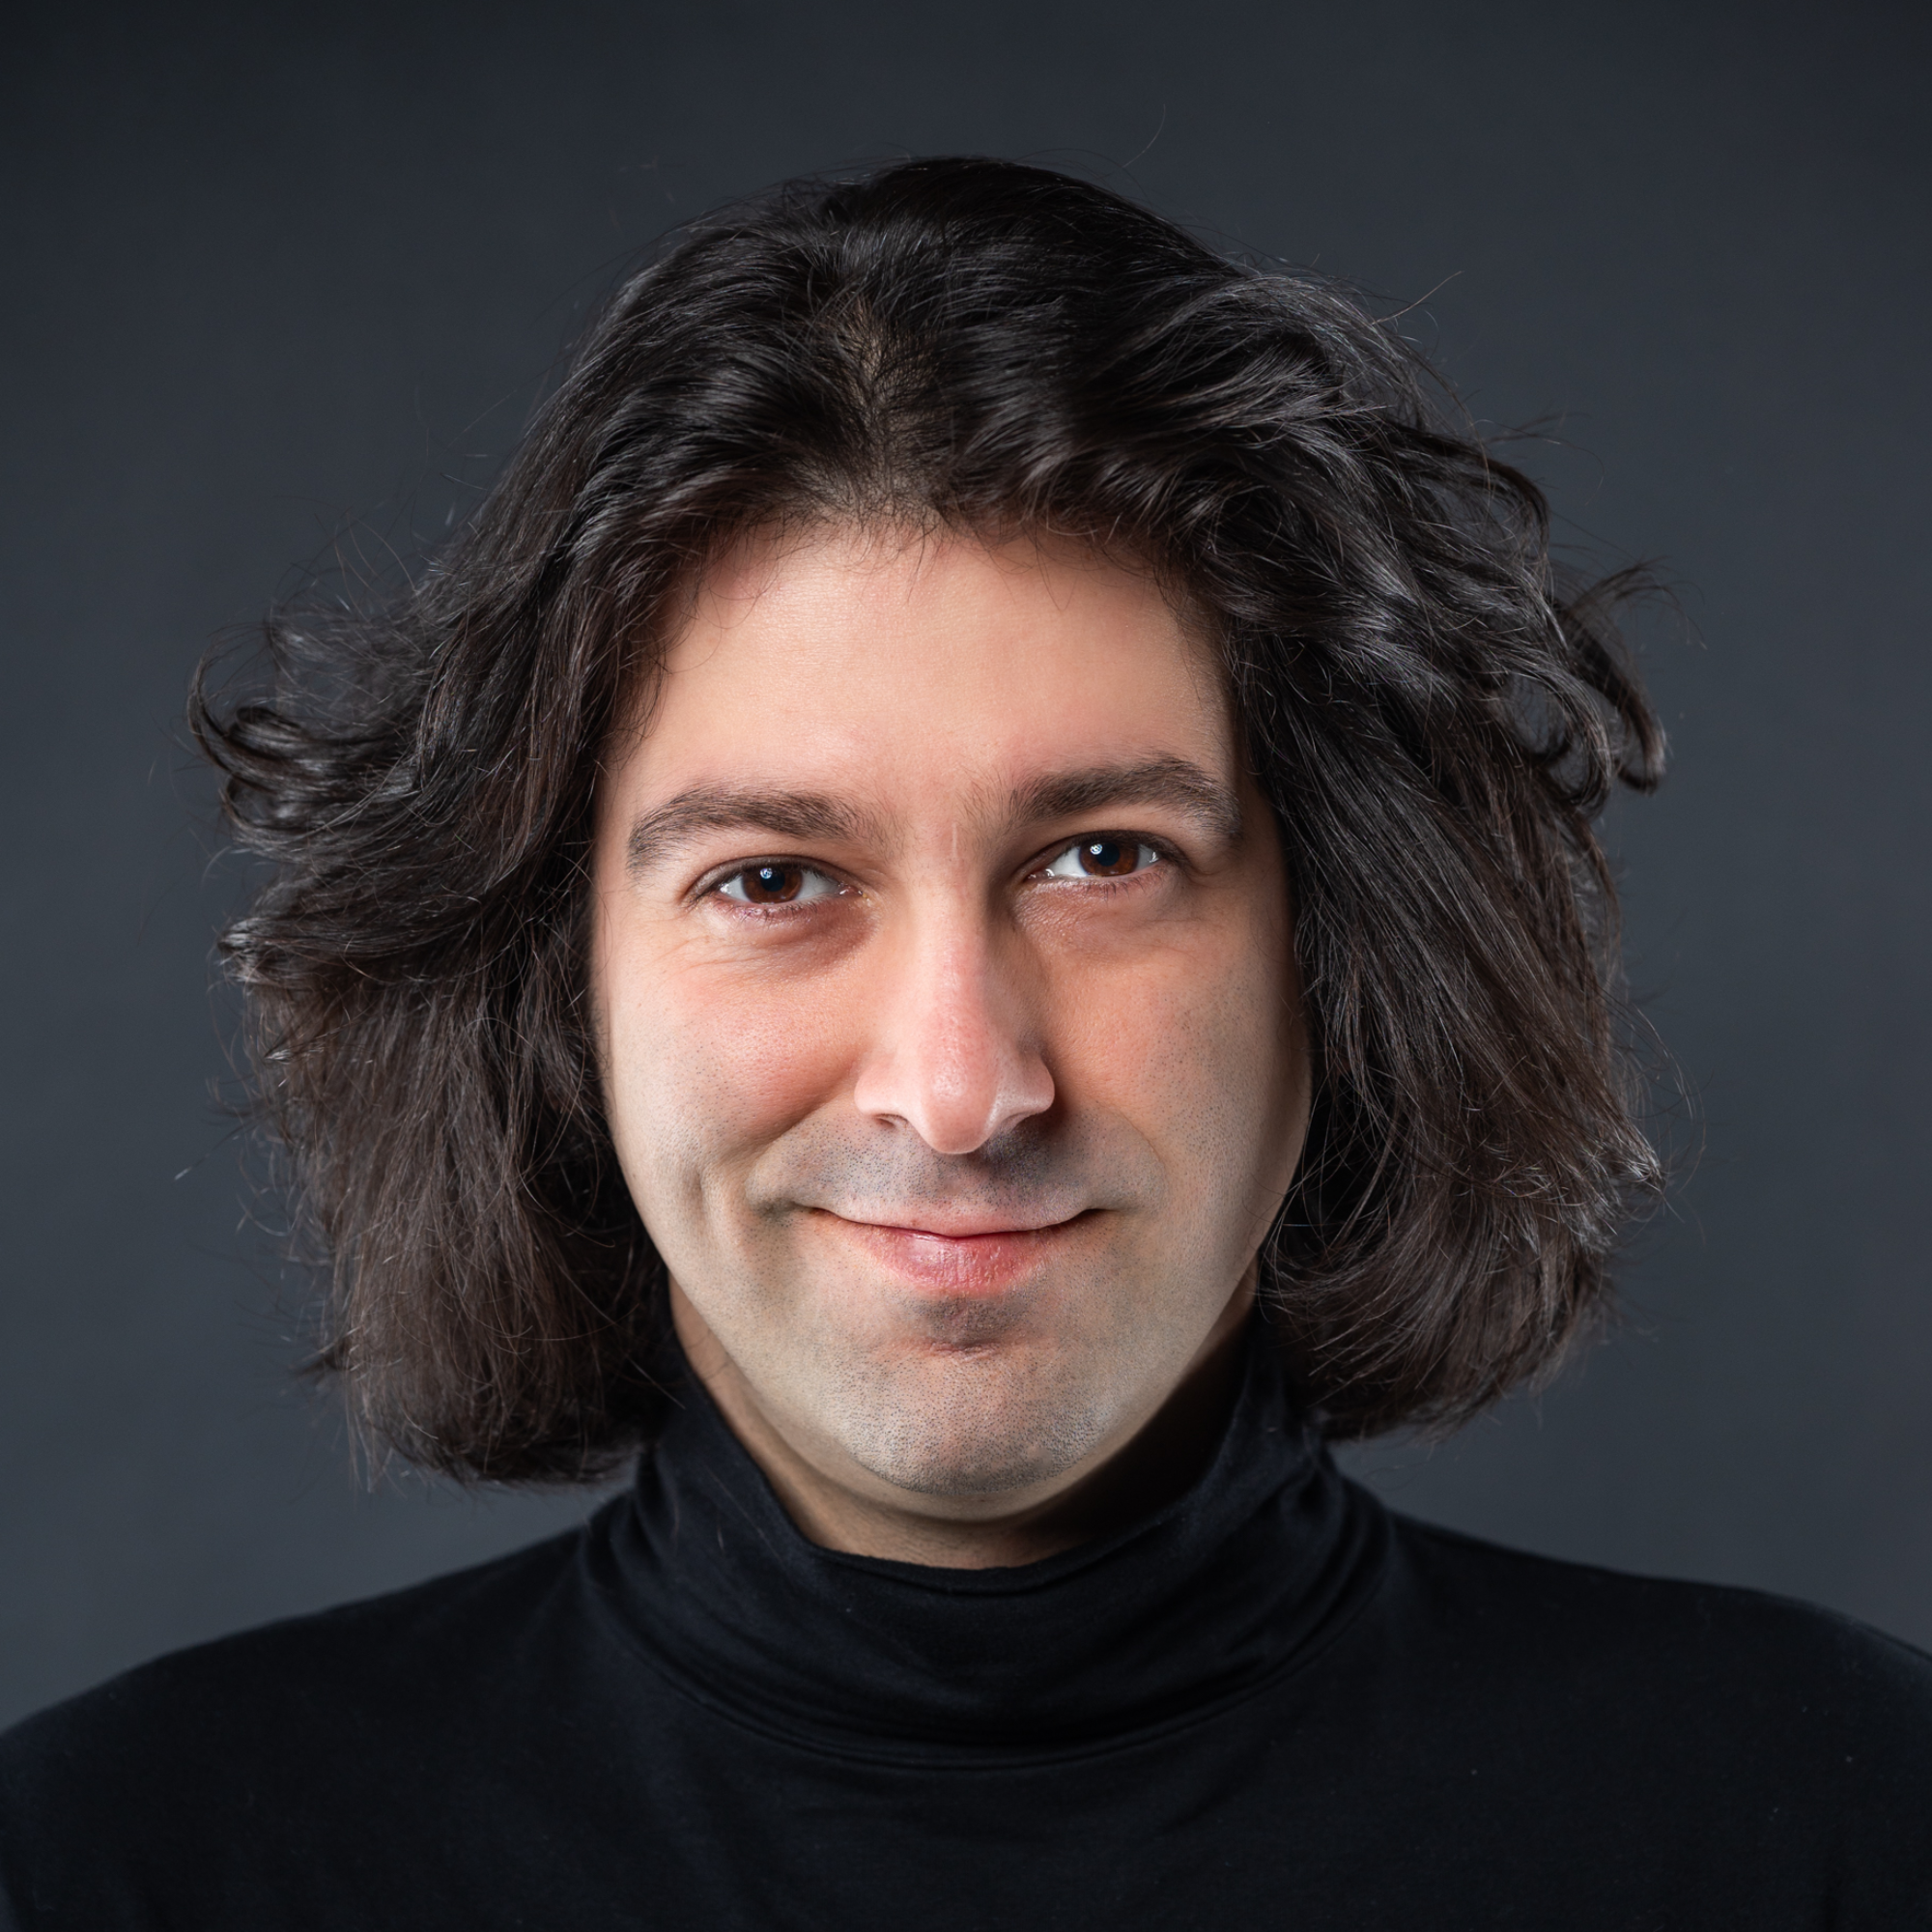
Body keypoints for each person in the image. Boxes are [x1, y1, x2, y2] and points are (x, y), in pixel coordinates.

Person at [2, 156, 1926, 1929]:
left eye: (1104, 858)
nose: (960, 1088)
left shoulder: (1841, 1830)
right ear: (553, 986)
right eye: (774, 879)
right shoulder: (116, 1870)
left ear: (1340, 948)